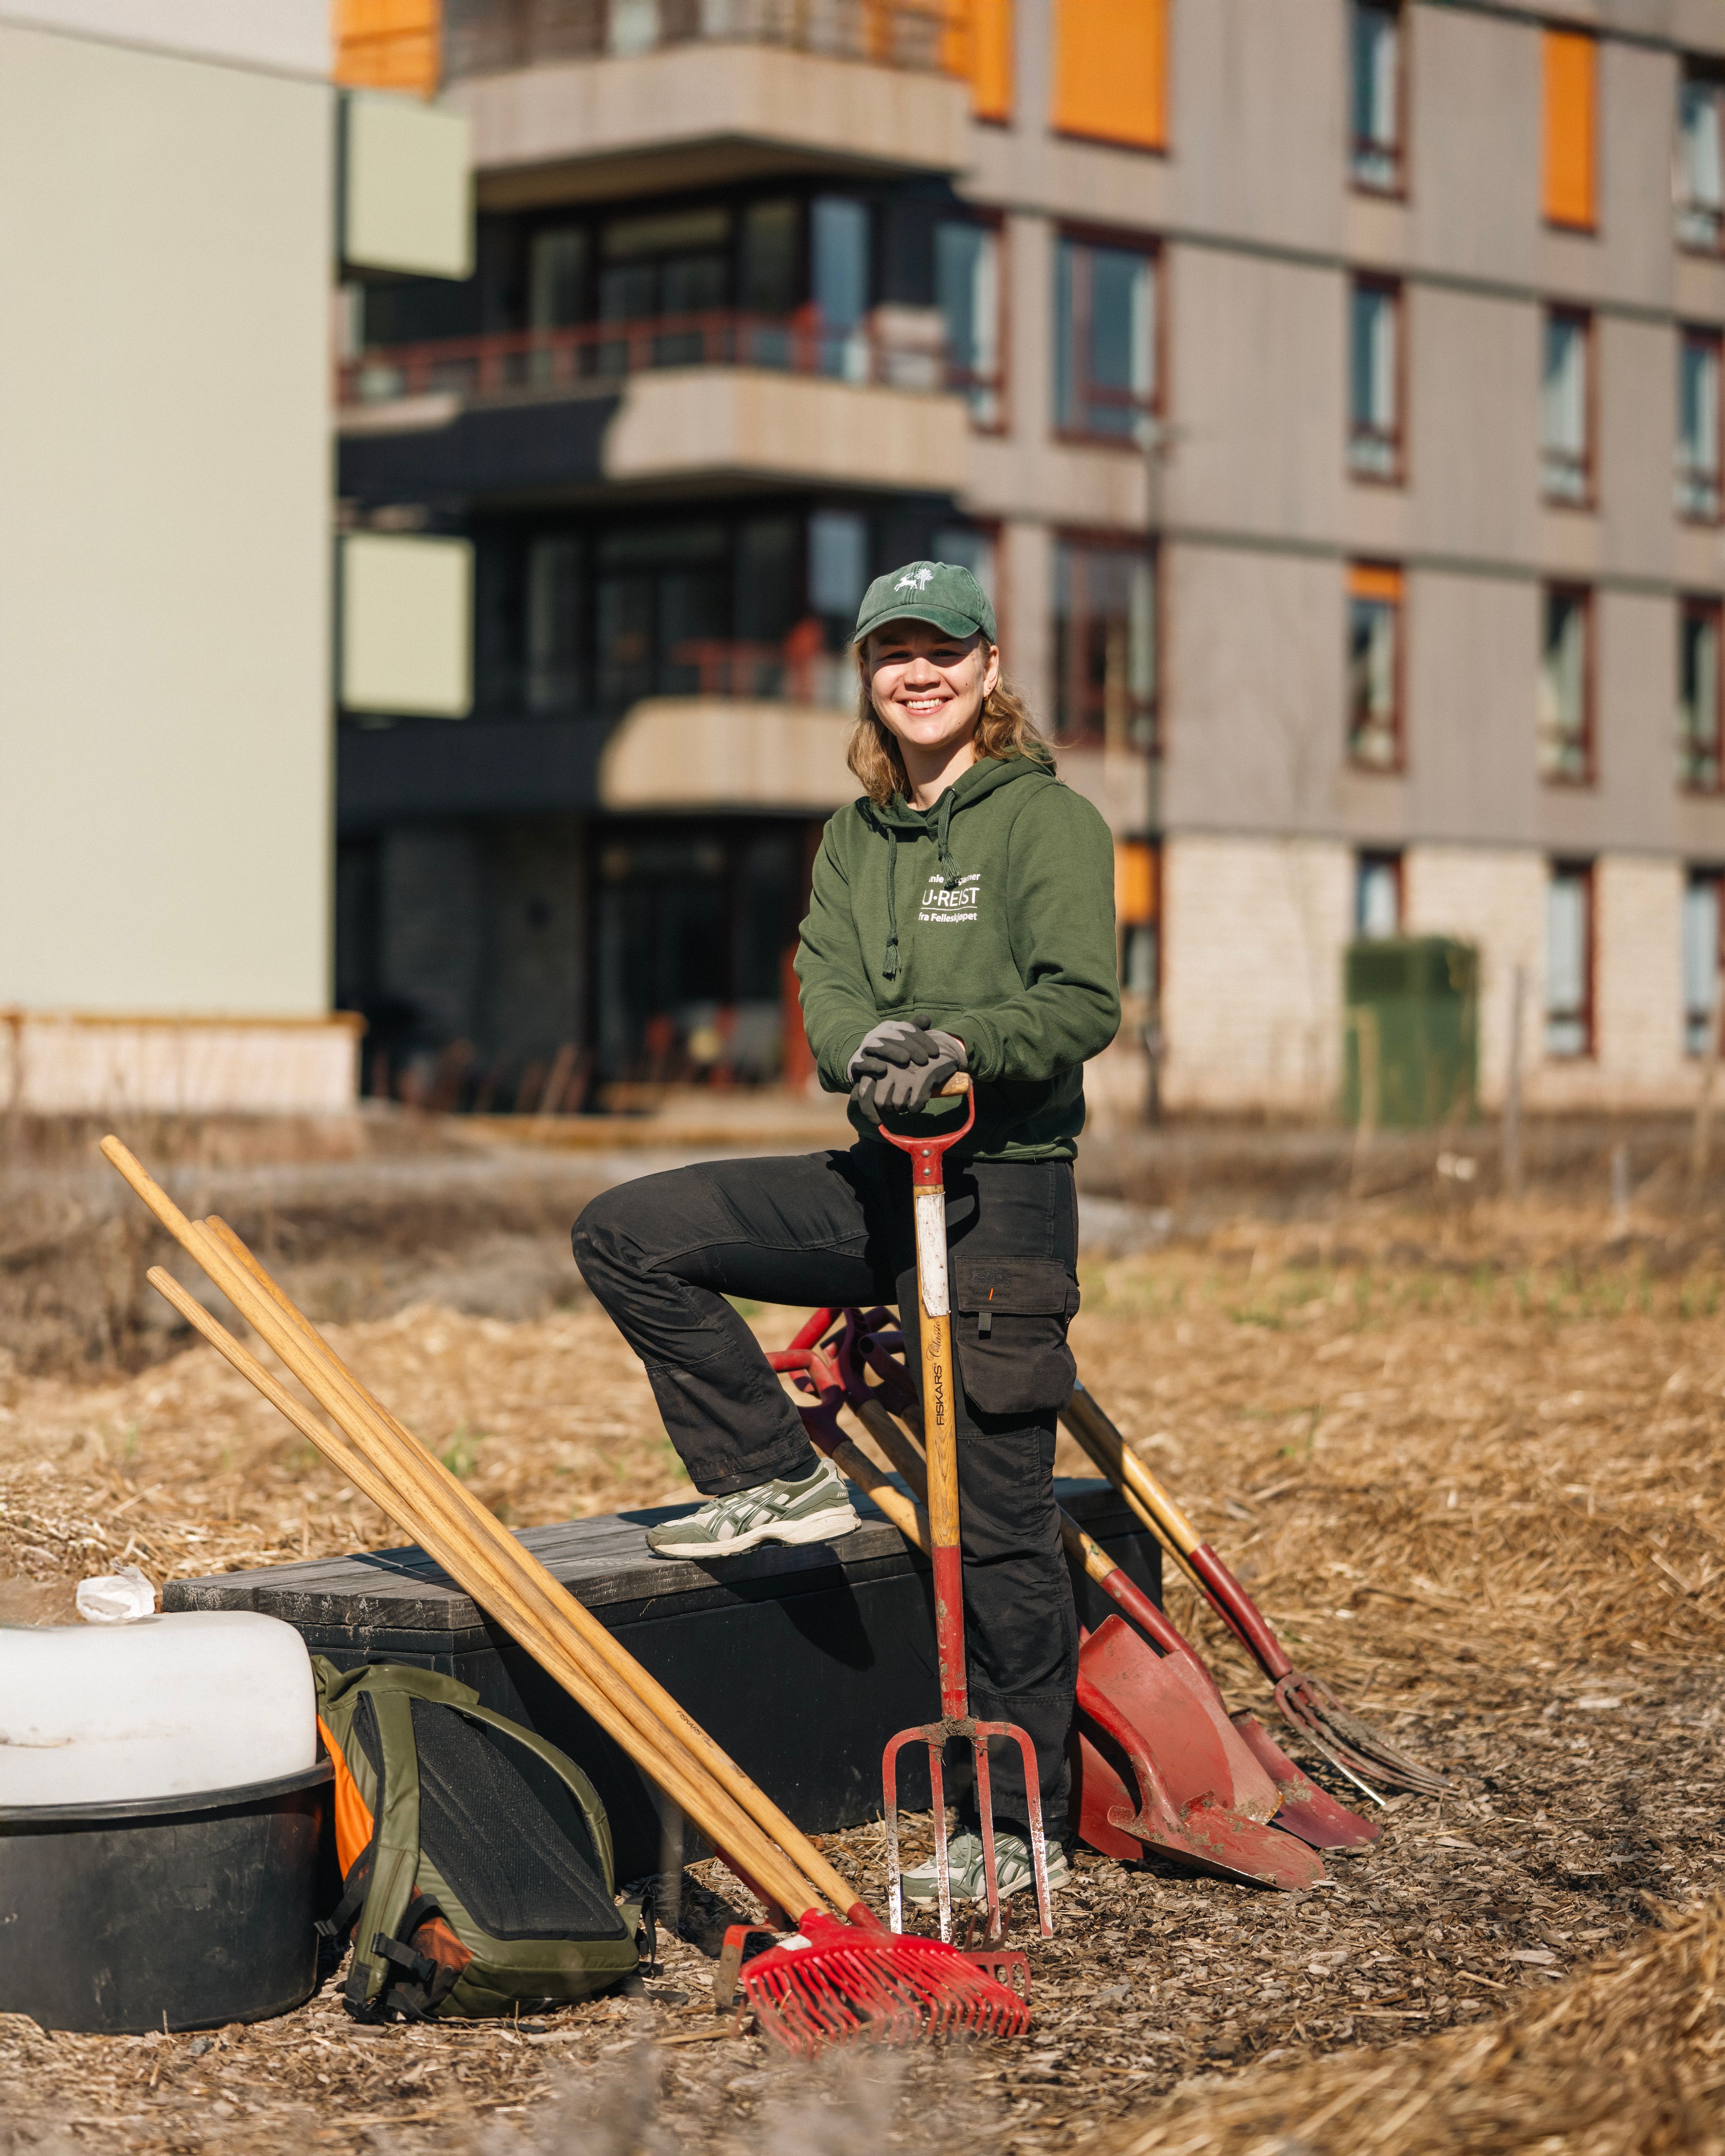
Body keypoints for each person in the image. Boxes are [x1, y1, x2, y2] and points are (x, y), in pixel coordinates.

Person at [572, 560, 1120, 1905]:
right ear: (867, 675)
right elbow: (823, 995)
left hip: (999, 1193)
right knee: (631, 1231)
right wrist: (865, 1052)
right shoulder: (853, 838)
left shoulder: (1046, 824)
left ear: (992, 670)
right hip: (880, 1178)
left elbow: (1081, 1004)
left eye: (945, 650)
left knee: (993, 1525)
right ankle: (775, 1474)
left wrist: (960, 1045)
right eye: (894, 653)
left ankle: (1011, 1821)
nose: (918, 674)